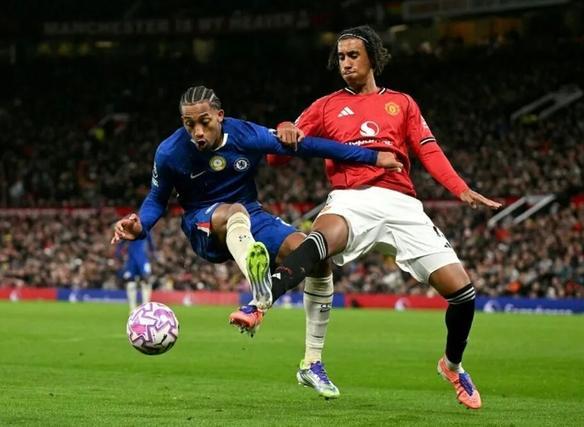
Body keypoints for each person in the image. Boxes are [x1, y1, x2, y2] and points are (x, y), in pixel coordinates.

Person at [231, 26, 501, 409]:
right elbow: (276, 157)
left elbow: (428, 149)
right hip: (351, 198)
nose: (345, 63)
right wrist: (287, 131)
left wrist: (459, 188)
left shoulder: (402, 103)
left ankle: (452, 366)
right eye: (340, 57)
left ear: (372, 57)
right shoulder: (325, 106)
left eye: (353, 55)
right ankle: (260, 302)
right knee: (319, 242)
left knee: (463, 293)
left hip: (402, 203)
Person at [110, 85, 402, 398]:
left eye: (204, 122)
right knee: (234, 211)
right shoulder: (169, 152)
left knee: (313, 254)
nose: (197, 131)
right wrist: (141, 225)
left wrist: (372, 156)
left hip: (253, 217)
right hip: (203, 223)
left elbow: (311, 146)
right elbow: (157, 198)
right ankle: (258, 278)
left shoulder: (245, 135)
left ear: (220, 116)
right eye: (189, 124)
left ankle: (312, 363)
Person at [115, 235, 154, 312]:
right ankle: (132, 310)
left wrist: (152, 254)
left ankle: (146, 308)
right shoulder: (129, 231)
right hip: (132, 260)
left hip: (143, 259)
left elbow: (151, 244)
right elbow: (121, 244)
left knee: (146, 281)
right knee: (131, 283)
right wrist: (118, 254)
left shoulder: (146, 230)